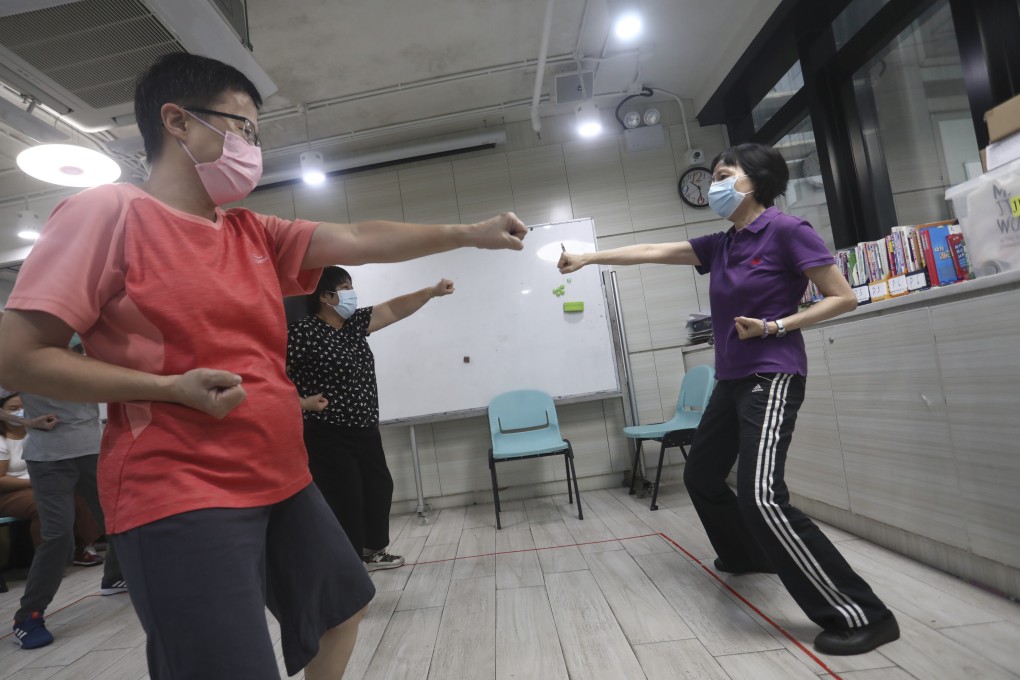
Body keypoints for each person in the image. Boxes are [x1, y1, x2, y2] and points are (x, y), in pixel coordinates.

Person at [0, 52, 525, 679]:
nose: (253, 146)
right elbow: (18, 355)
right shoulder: (109, 213)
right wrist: (166, 387)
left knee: (342, 610)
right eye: (243, 127)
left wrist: (469, 231)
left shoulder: (250, 231)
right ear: (178, 121)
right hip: (180, 486)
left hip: (281, 474)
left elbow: (358, 237)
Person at [557, 142, 899, 656]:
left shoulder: (787, 231)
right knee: (701, 474)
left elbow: (842, 296)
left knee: (761, 495)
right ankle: (746, 553)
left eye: (723, 174)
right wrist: (588, 257)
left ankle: (863, 614)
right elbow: (652, 251)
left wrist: (775, 325)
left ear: (755, 181)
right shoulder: (723, 243)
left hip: (772, 374)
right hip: (732, 379)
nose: (715, 185)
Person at [288, 268, 454, 570]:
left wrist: (430, 292)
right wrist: (301, 402)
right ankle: (349, 566)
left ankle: (371, 551)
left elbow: (391, 309)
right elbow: (268, 374)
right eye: (345, 288)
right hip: (329, 433)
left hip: (365, 428)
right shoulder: (302, 332)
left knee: (379, 488)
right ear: (325, 297)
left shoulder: (351, 325)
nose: (352, 294)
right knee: (346, 500)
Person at [0, 390, 108, 568]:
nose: (19, 411)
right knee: (42, 506)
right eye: (13, 409)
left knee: (80, 494)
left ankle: (83, 547)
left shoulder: (37, 433)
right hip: (12, 491)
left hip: (43, 482)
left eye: (22, 407)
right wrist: (33, 484)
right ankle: (48, 561)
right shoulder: (4, 441)